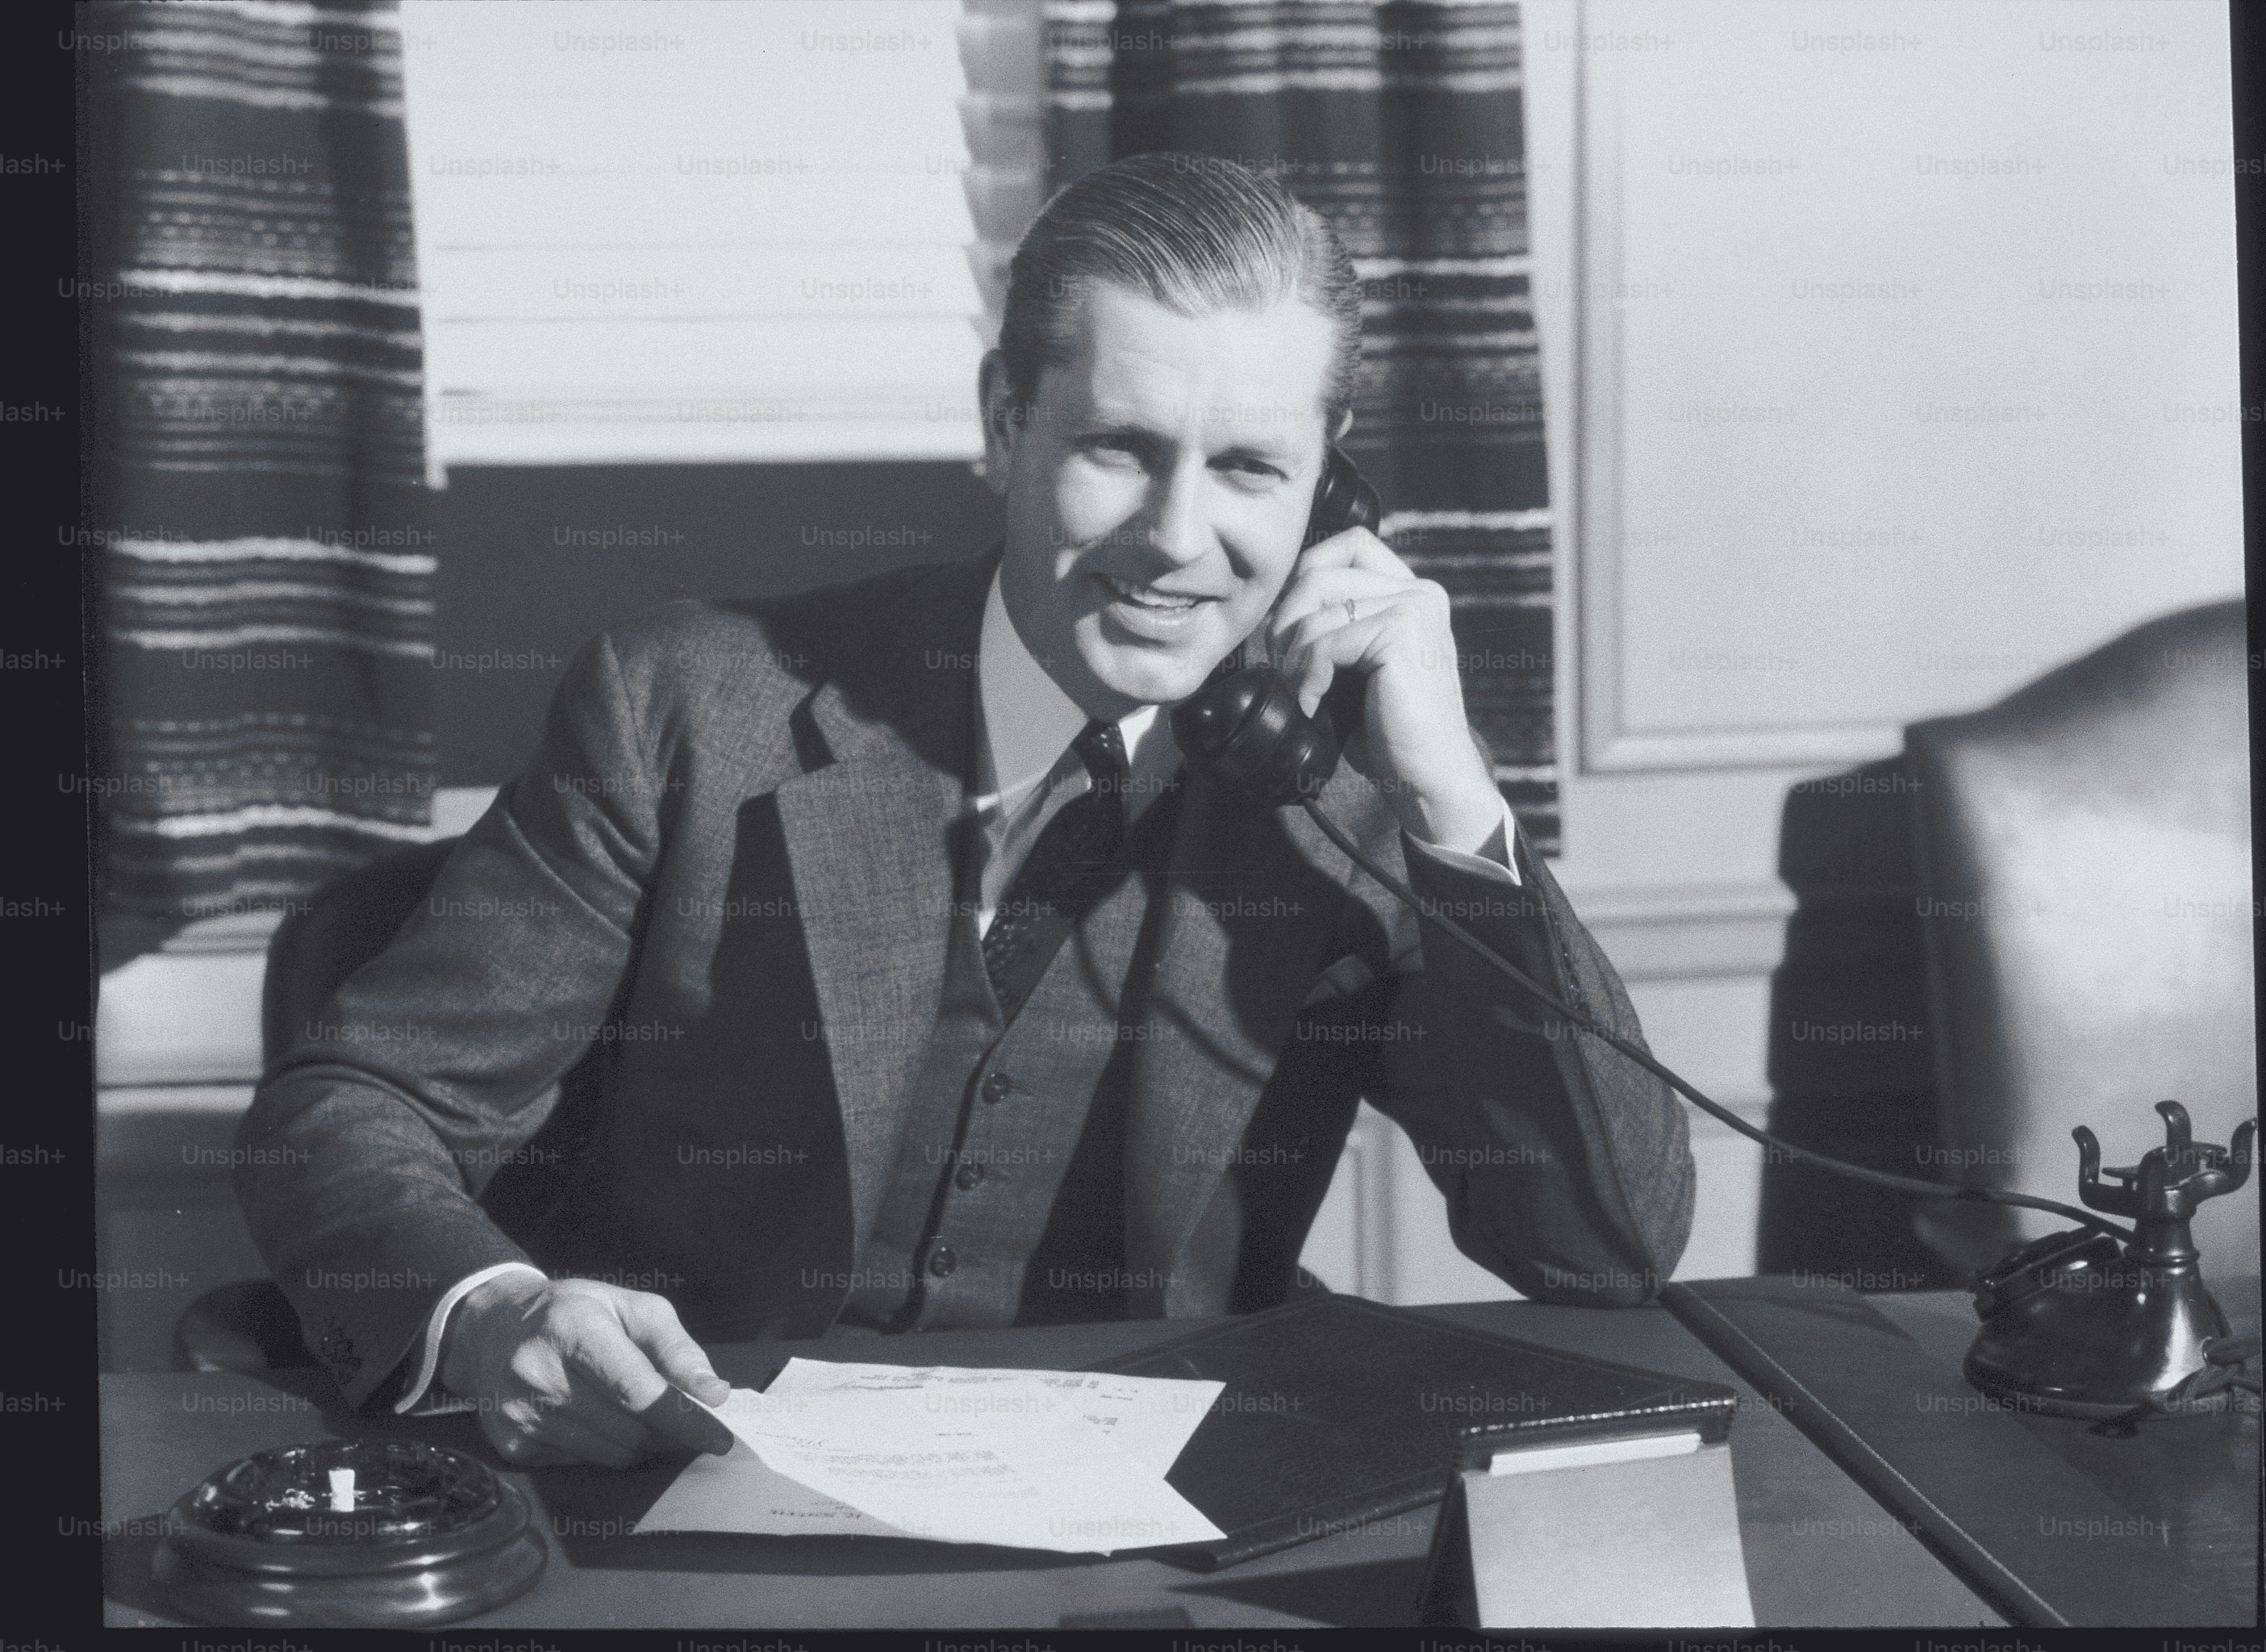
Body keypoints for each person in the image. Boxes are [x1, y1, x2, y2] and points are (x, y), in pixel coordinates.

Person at [236, 153, 1694, 1469]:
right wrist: (496, 1314)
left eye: (1251, 467)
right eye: (1118, 448)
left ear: (1330, 485)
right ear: (1005, 423)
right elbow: (356, 1109)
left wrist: (1455, 806)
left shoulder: (1357, 782)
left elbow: (1603, 1247)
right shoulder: (683, 707)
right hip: (686, 1485)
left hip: (1155, 1513)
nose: (1179, 541)